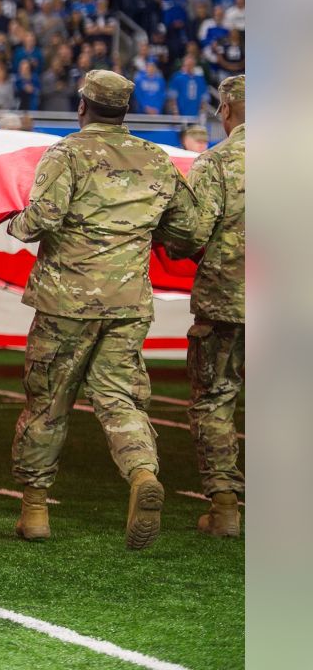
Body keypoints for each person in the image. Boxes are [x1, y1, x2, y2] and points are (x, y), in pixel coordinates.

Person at [6, 70, 199, 550]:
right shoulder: (157, 159)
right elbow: (188, 231)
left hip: (65, 301)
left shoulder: (67, 153)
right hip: (128, 301)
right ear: (125, 110)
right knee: (120, 398)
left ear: (82, 106)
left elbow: (42, 219)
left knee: (47, 404)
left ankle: (34, 509)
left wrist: (14, 224)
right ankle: (141, 475)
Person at [169, 75, 245, 537]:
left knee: (215, 400)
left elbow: (191, 234)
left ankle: (225, 510)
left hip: (227, 301)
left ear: (227, 110)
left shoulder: (216, 162)